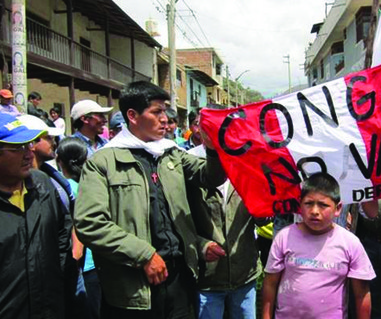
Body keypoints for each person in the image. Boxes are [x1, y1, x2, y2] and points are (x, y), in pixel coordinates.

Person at [73, 81, 226, 319]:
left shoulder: (171, 153)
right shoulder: (103, 162)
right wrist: (143, 255)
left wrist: (213, 147)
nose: (164, 119)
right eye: (156, 112)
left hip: (180, 279)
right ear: (132, 116)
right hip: (133, 288)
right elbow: (89, 223)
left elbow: (210, 176)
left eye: (164, 111)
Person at [262, 173, 375, 319]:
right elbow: (270, 283)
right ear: (300, 204)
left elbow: (361, 293)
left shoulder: (350, 243)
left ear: (338, 208)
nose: (315, 211)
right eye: (308, 203)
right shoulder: (284, 237)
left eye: (323, 205)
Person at [0, 113, 72, 319]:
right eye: (17, 148)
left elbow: (62, 232)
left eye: (29, 144)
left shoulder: (42, 184)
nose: (28, 154)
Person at [187, 144, 260, 319]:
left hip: (245, 276)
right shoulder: (188, 165)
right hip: (207, 280)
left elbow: (262, 218)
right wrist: (201, 246)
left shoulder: (249, 165)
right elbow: (179, 222)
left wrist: (265, 209)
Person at [57, 137, 102, 319]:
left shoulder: (66, 189)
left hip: (82, 265)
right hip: (95, 262)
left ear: (60, 160)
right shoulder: (88, 185)